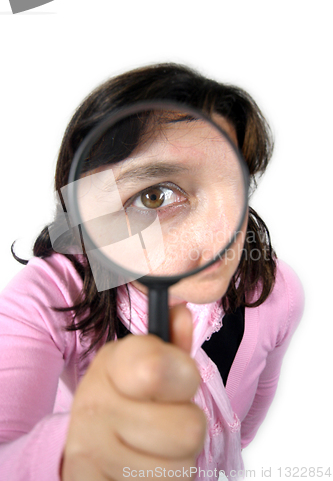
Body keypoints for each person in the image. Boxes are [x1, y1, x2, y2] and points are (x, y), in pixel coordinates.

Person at [0, 63, 304, 481]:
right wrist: (74, 458)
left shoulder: (275, 290)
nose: (222, 231)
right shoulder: (49, 294)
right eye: (156, 195)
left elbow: (244, 428)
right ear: (90, 218)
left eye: (232, 181)